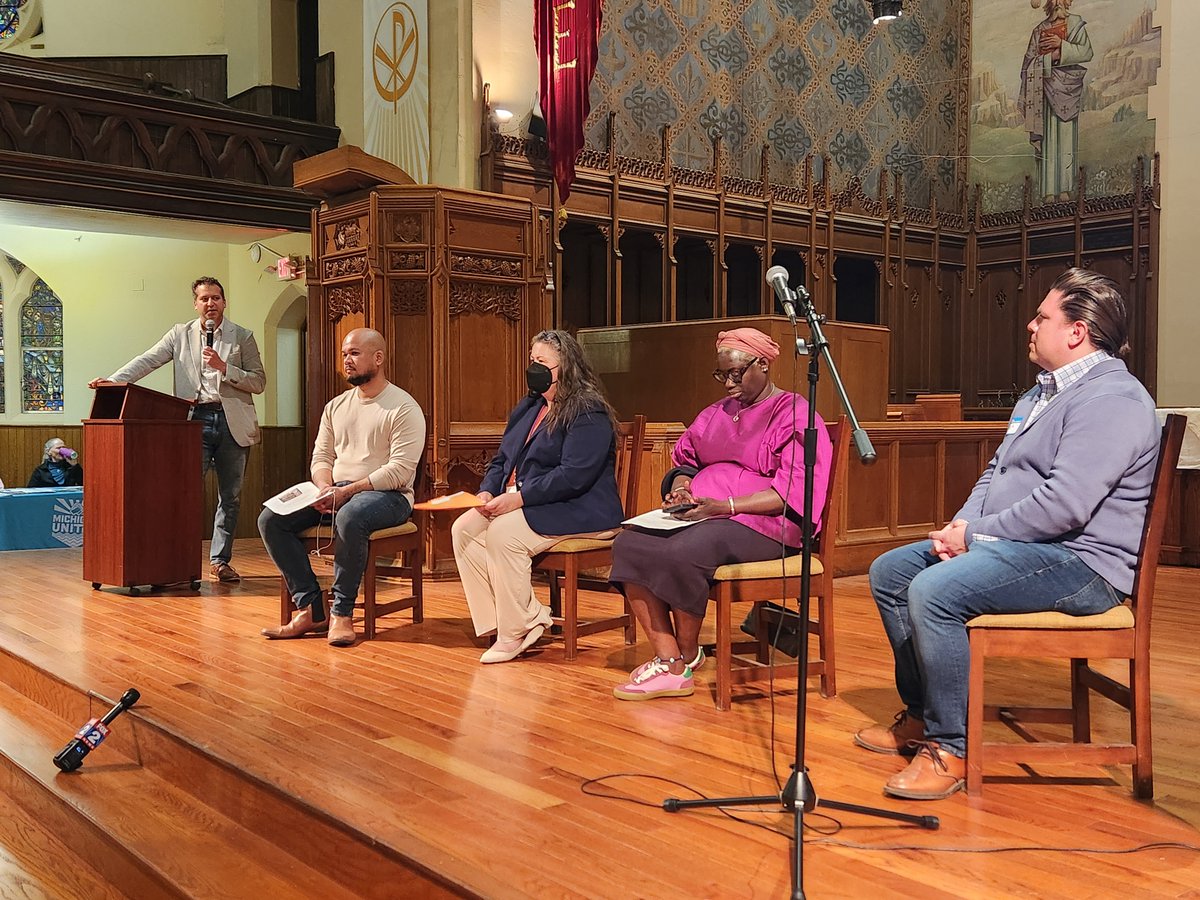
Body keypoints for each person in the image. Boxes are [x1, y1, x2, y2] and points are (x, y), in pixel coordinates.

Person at [856, 268, 1160, 800]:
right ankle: (928, 716)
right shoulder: (1038, 394)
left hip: (1083, 564)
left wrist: (972, 537)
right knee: (891, 571)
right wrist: (959, 527)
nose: (1029, 325)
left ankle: (951, 748)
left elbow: (1065, 506)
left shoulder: (1112, 398)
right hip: (1026, 548)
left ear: (1077, 331)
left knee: (934, 590)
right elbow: (994, 472)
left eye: (1042, 316)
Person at [608, 327, 833, 701]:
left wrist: (725, 507)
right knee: (631, 542)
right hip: (707, 514)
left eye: (736, 373)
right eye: (721, 375)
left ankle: (681, 655)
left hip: (766, 524)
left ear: (762, 363)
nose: (728, 384)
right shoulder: (717, 414)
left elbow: (795, 489)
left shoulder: (793, 412)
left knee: (685, 550)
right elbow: (686, 459)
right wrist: (681, 487)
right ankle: (672, 659)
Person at [451, 329, 624, 664]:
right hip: (533, 500)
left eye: (542, 362)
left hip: (581, 507)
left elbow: (574, 475)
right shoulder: (529, 406)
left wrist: (519, 499)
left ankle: (516, 631)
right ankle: (504, 622)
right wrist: (488, 489)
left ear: (566, 367)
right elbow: (502, 459)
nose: (534, 367)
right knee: (464, 529)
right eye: (532, 360)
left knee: (503, 534)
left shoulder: (588, 410)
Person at [90, 277, 265, 582]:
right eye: (204, 299)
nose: (211, 304)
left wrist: (226, 368)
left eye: (216, 298)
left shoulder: (242, 337)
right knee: (182, 494)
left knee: (231, 497)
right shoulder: (180, 334)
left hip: (231, 422)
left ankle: (220, 561)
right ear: (195, 303)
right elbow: (148, 360)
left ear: (225, 302)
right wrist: (114, 380)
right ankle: (178, 558)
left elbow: (259, 382)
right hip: (192, 421)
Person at [259, 328, 425, 647]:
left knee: (351, 516)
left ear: (378, 358)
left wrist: (347, 492)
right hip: (337, 491)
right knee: (271, 520)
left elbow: (401, 471)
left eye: (354, 353)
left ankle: (342, 612)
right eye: (344, 354)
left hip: (388, 497)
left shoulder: (403, 407)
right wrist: (323, 487)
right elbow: (322, 456)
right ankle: (310, 607)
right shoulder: (336, 406)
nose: (346, 360)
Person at [1020, 0, 1093, 201]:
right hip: (1044, 92)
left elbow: (1086, 52)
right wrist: (1048, 58)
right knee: (1049, 139)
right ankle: (1049, 192)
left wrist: (1061, 46)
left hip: (1068, 90)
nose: (1058, 2)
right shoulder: (1039, 30)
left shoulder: (1075, 24)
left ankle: (1065, 189)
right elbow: (1027, 64)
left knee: (1066, 139)